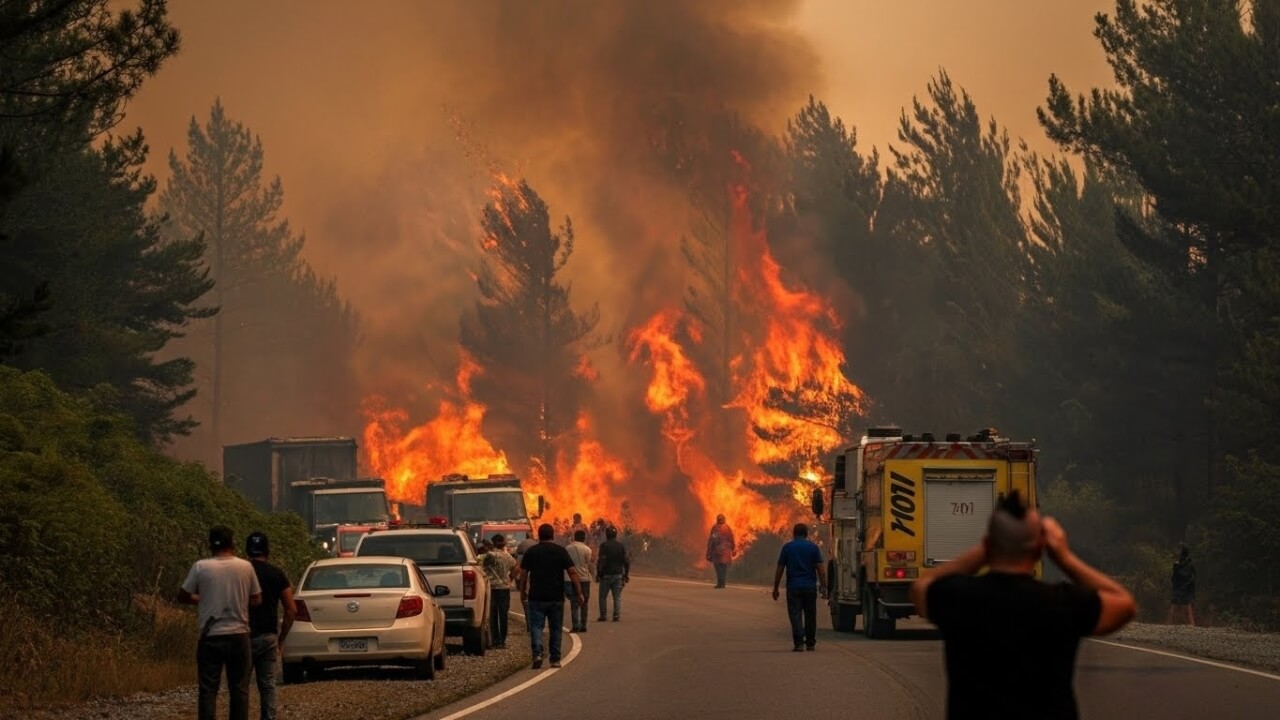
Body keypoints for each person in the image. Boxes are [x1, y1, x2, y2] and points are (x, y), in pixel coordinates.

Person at [910, 491, 1136, 720]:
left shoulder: (960, 599)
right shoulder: (1062, 603)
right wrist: (1064, 556)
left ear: (988, 546)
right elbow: (1125, 604)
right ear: (1040, 549)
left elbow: (921, 587)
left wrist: (982, 552)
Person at [179, 526, 263, 720]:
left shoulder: (200, 567)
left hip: (210, 635)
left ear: (210, 545)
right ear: (232, 543)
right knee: (239, 690)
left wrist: (200, 598)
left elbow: (182, 595)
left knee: (208, 689)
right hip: (239, 634)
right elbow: (257, 599)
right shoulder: (245, 567)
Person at [517, 523, 585, 669]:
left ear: (539, 536)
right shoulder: (560, 551)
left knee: (536, 627)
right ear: (552, 535)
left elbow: (523, 575)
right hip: (556, 597)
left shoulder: (531, 552)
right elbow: (573, 572)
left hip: (536, 597)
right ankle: (555, 659)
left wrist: (522, 592)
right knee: (555, 628)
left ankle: (537, 654)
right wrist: (579, 593)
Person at [244, 532, 296, 720]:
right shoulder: (276, 574)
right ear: (268, 551)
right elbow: (291, 609)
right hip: (268, 637)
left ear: (247, 551)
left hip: (242, 637)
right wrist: (281, 639)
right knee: (267, 685)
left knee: (240, 686)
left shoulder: (240, 573)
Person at [772, 523, 827, 652]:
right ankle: (810, 643)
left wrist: (775, 587)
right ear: (807, 534)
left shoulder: (787, 548)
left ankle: (798, 643)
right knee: (810, 615)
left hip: (793, 588)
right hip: (809, 587)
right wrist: (824, 586)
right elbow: (821, 569)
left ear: (794, 534)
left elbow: (780, 569)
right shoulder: (813, 548)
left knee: (795, 615)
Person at [482, 533, 517, 649]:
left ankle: (495, 640)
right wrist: (510, 579)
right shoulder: (507, 556)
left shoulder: (489, 556)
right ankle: (502, 641)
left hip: (491, 588)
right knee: (503, 615)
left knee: (492, 615)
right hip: (504, 589)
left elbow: (481, 566)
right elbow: (516, 568)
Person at [596, 525, 630, 622]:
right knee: (617, 597)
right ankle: (616, 615)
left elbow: (602, 561)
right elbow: (626, 561)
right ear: (616, 535)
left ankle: (603, 616)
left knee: (602, 597)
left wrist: (598, 573)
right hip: (618, 575)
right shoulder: (620, 546)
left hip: (606, 576)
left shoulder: (604, 546)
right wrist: (626, 574)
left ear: (606, 535)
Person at [564, 529, 594, 632]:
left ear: (574, 537)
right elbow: (589, 564)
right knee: (584, 603)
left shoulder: (567, 548)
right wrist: (594, 576)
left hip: (570, 579)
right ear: (584, 538)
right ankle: (583, 625)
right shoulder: (587, 550)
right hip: (584, 579)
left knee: (574, 603)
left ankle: (575, 626)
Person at [1167, 544, 1197, 626]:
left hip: (1182, 587)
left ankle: (1191, 625)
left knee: (1178, 606)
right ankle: (1191, 625)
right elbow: (1192, 577)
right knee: (1182, 606)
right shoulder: (1185, 564)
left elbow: (1174, 577)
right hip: (1183, 587)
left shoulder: (1184, 564)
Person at [706, 513, 735, 588]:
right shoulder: (727, 528)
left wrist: (709, 546)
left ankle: (720, 583)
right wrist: (733, 548)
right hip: (726, 551)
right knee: (723, 568)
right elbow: (731, 538)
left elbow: (713, 538)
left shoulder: (715, 528)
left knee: (718, 568)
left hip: (718, 552)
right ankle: (722, 583)